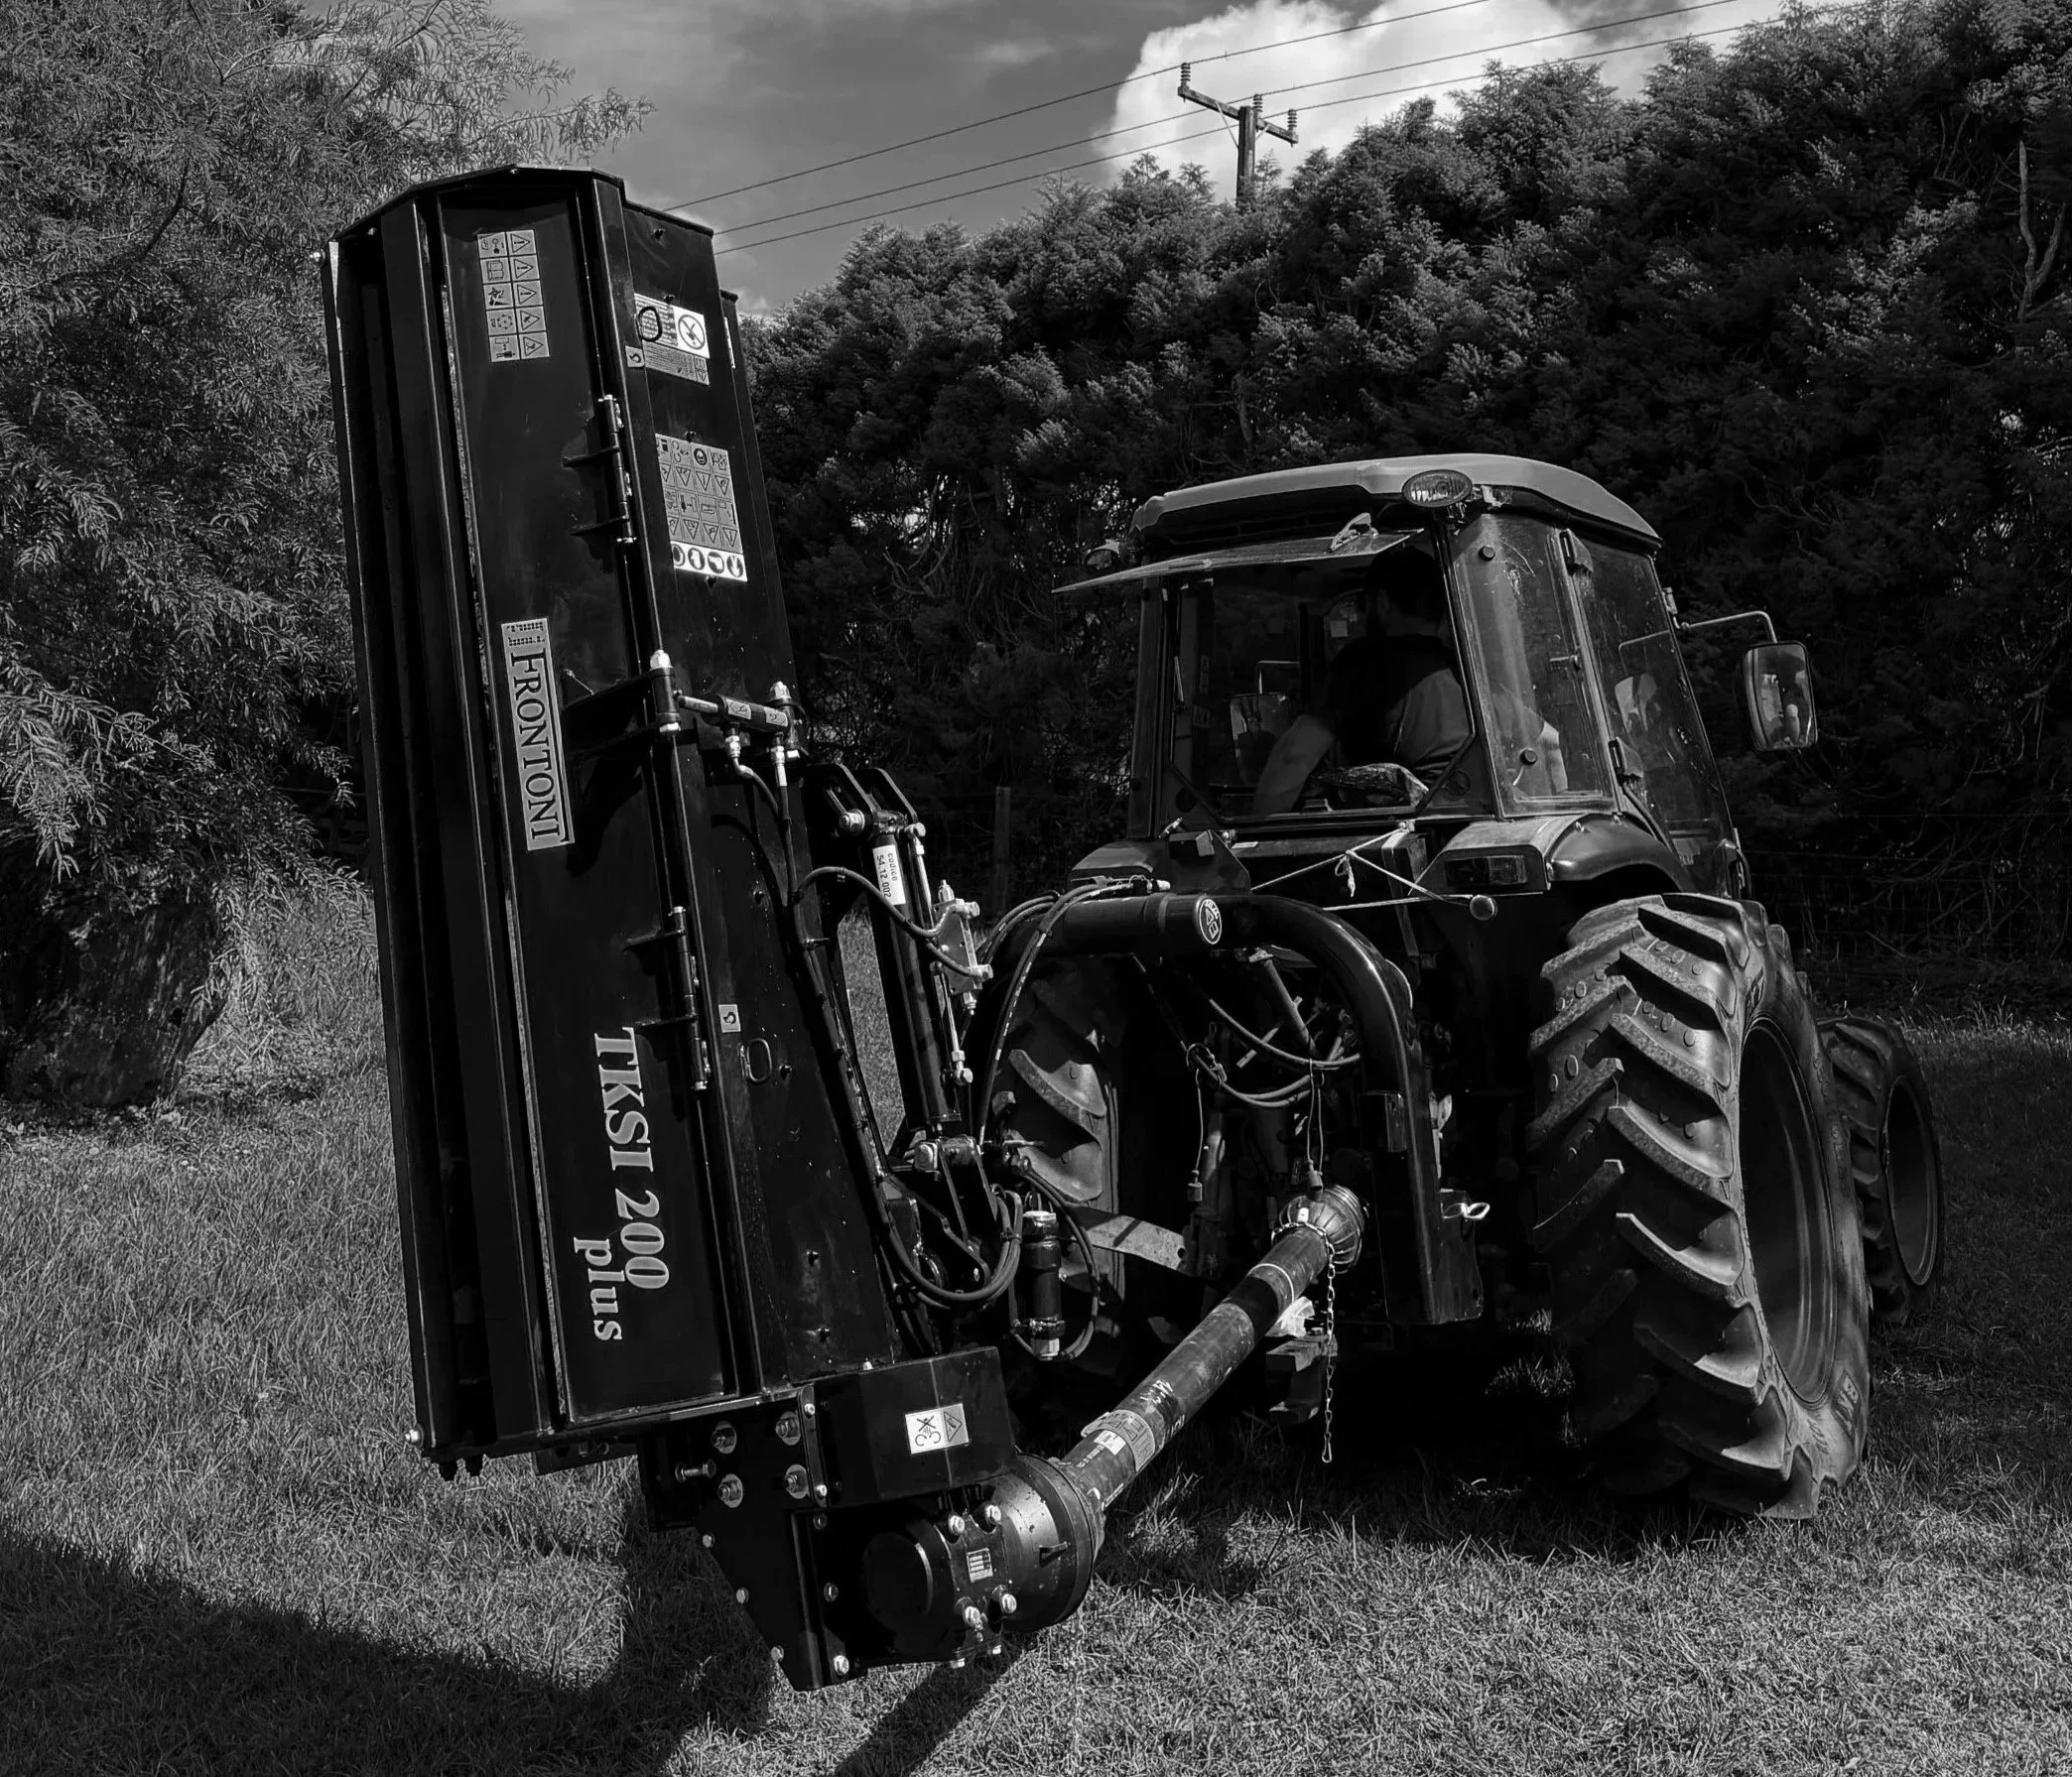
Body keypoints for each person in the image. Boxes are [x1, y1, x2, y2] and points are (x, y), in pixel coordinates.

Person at [1251, 548, 1473, 816]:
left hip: (1398, 833)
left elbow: (1295, 755)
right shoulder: (1469, 668)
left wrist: (1256, 828)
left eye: (1361, 606)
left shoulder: (1363, 663)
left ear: (1381, 603)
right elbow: (1536, 738)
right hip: (1466, 823)